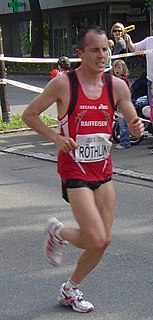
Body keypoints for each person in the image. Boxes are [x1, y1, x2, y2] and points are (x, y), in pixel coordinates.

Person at [22, 25, 144, 313]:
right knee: (96, 237)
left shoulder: (117, 85)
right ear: (80, 54)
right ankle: (59, 233)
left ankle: (70, 287)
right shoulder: (64, 84)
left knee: (104, 240)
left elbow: (132, 122)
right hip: (74, 169)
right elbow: (29, 114)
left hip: (103, 169)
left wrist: (135, 127)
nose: (102, 55)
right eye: (94, 50)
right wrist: (56, 137)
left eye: (105, 49)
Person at [124, 32, 153, 152]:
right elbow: (134, 49)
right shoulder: (149, 40)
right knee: (152, 112)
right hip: (151, 81)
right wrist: (128, 41)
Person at [111, 59, 131, 149]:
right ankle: (123, 139)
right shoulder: (114, 79)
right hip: (117, 104)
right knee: (120, 123)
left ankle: (125, 142)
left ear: (123, 69)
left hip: (122, 105)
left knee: (123, 124)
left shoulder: (123, 80)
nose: (117, 69)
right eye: (115, 67)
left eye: (119, 67)